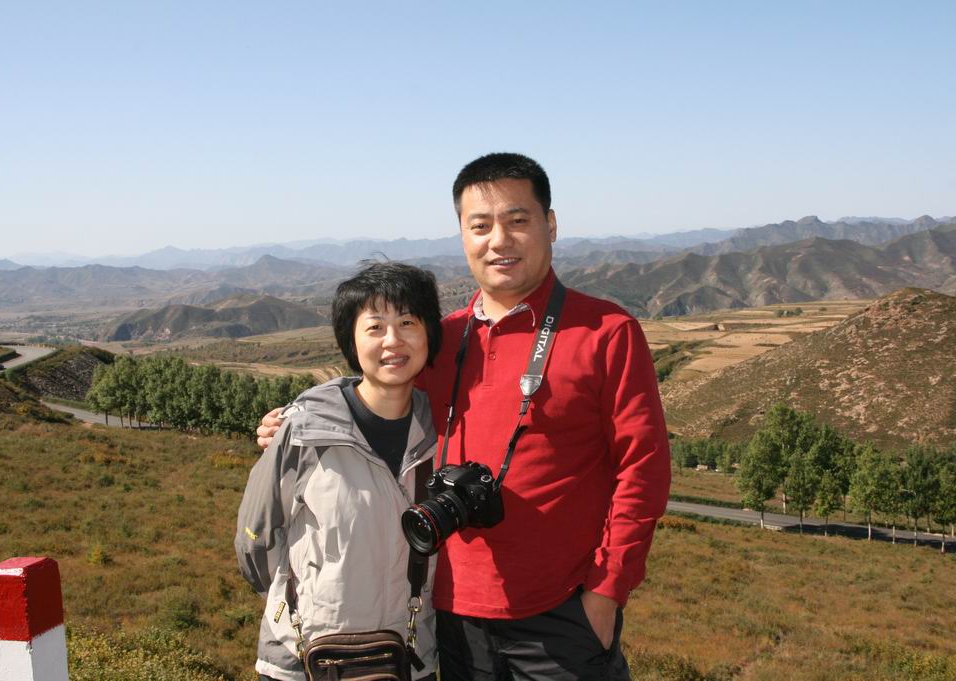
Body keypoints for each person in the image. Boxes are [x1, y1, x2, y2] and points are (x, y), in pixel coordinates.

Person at [257, 153, 671, 680]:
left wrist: (607, 591)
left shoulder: (606, 332)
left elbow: (644, 470)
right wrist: (296, 421)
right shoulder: (440, 338)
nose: (499, 240)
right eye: (480, 225)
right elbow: (375, 394)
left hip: (564, 611)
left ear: (550, 225)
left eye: (517, 220)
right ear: (462, 235)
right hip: (448, 613)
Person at [236, 261, 442, 681]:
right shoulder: (304, 431)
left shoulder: (444, 430)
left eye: (407, 322)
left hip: (407, 658)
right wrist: (302, 605)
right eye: (375, 327)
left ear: (429, 335)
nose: (393, 340)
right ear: (351, 339)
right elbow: (256, 538)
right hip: (304, 660)